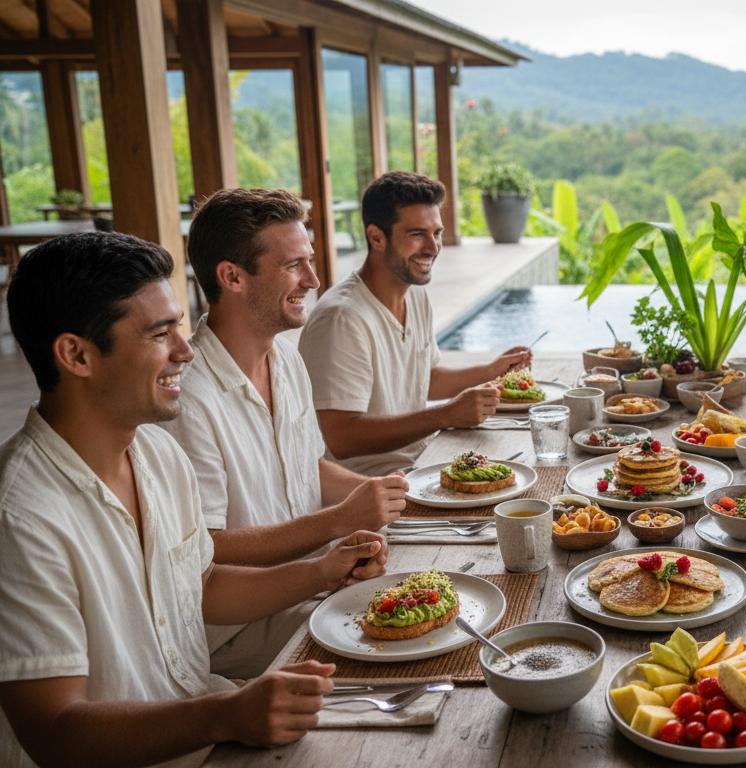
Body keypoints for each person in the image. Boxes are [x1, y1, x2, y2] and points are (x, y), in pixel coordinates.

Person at [0, 232, 389, 767]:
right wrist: (224, 714)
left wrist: (325, 572)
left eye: (179, 328)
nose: (186, 351)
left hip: (205, 727)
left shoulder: (157, 454)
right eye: (161, 334)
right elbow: (54, 728)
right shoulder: (21, 514)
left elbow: (200, 589)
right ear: (76, 355)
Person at [163, 188, 409, 678]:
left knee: (436, 593)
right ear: (231, 276)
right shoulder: (188, 401)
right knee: (413, 648)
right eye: (294, 265)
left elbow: (309, 466)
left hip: (313, 583)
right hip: (237, 633)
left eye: (311, 262)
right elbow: (208, 546)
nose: (314, 280)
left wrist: (385, 496)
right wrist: (337, 522)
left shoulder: (286, 357)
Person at [299, 171, 531, 475]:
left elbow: (426, 378)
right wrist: (444, 415)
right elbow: (342, 437)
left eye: (436, 233)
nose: (433, 247)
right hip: (374, 485)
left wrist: (492, 371)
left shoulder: (415, 296)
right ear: (376, 237)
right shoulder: (342, 318)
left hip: (424, 462)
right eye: (417, 234)